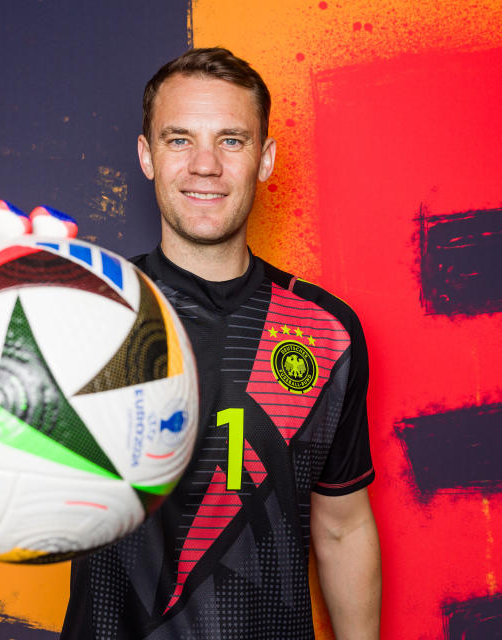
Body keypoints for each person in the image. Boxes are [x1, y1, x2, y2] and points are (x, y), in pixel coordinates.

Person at [59, 47, 381, 639]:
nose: (204, 164)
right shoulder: (85, 313)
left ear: (265, 158)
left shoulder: (328, 331)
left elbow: (342, 527)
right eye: (179, 139)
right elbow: (10, 474)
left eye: (231, 140)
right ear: (146, 156)